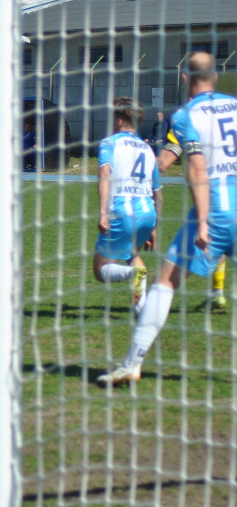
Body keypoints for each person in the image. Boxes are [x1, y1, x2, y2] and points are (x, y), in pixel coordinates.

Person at [99, 52, 237, 385]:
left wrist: (202, 221)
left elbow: (195, 167)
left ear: (184, 78)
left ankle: (132, 362)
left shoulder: (186, 115)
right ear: (215, 76)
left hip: (218, 208)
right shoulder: (234, 104)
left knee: (165, 282)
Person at [91, 98, 161, 310]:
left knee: (101, 269)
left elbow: (104, 174)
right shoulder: (148, 149)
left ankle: (133, 274)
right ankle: (141, 312)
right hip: (147, 213)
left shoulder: (109, 143)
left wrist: (103, 213)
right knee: (133, 255)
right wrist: (154, 229)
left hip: (121, 212)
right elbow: (158, 193)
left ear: (119, 120)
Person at [158, 125, 227, 311]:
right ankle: (217, 292)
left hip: (214, 197)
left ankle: (153, 309)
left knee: (172, 271)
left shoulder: (186, 122)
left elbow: (163, 163)